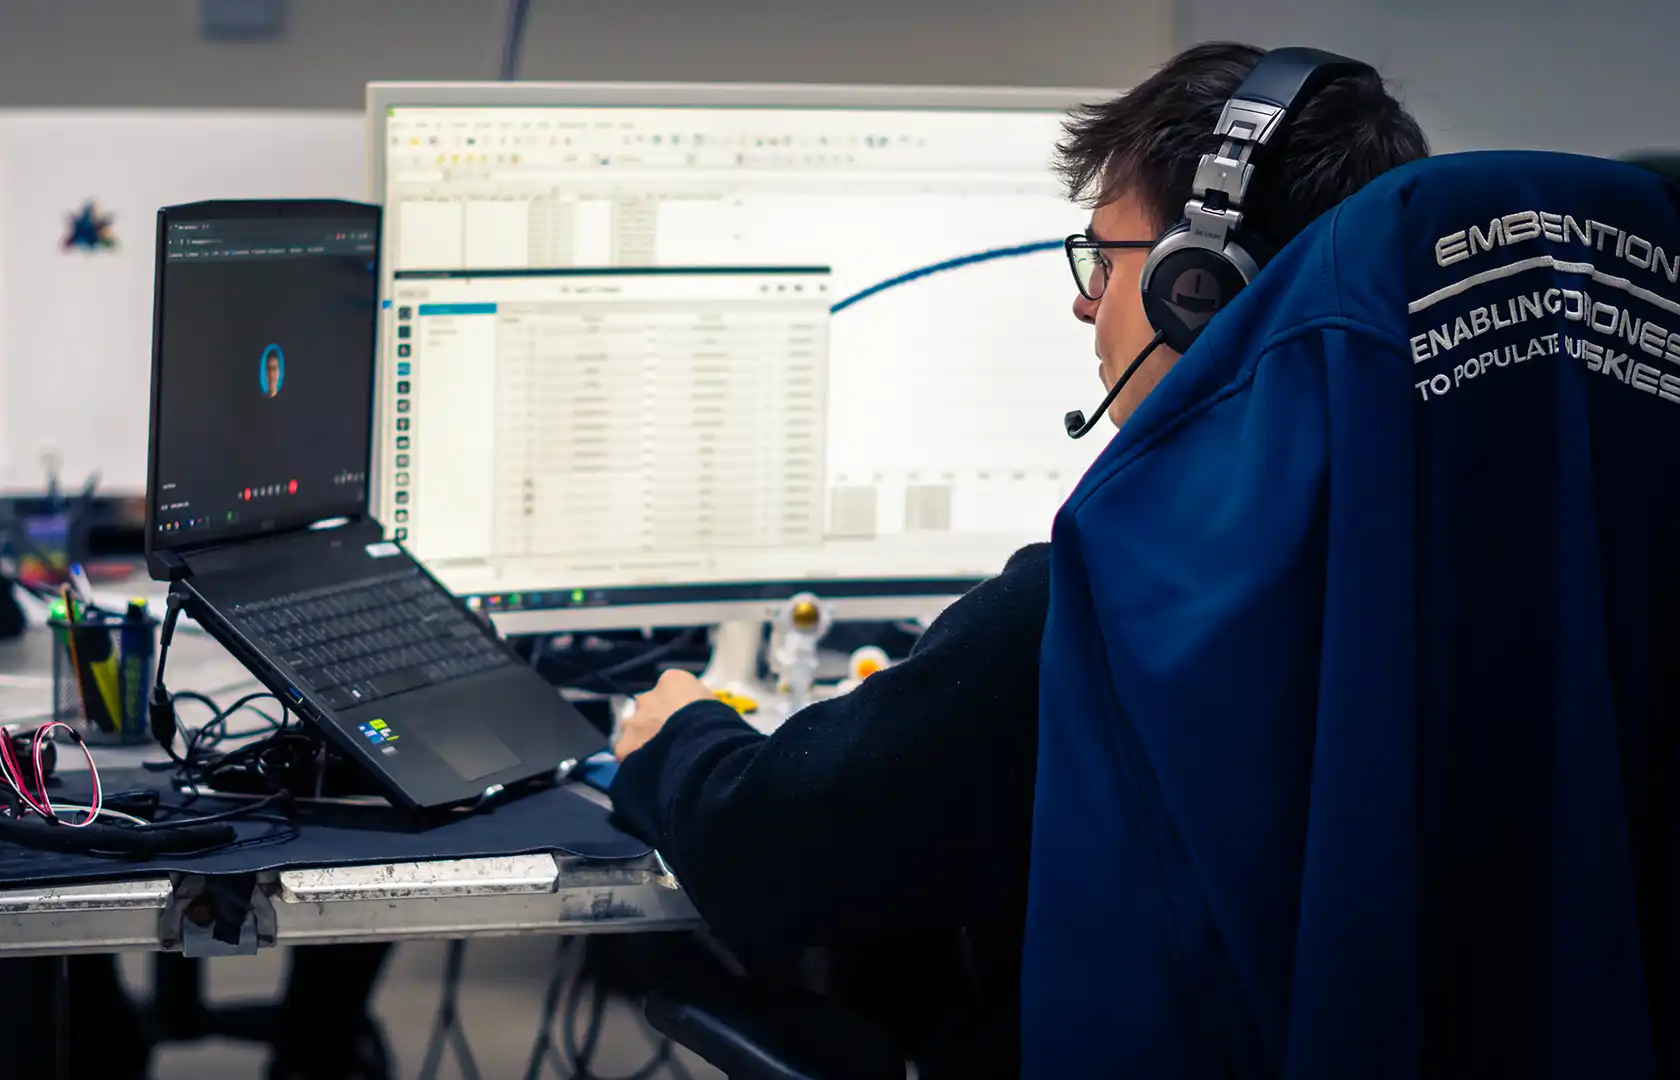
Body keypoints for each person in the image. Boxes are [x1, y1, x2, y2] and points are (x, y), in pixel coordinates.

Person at [608, 41, 1429, 1076]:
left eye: (1106, 261)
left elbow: (768, 856)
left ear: (1199, 289)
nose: (1087, 305)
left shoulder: (1118, 599)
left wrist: (678, 737)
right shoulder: (1464, 561)